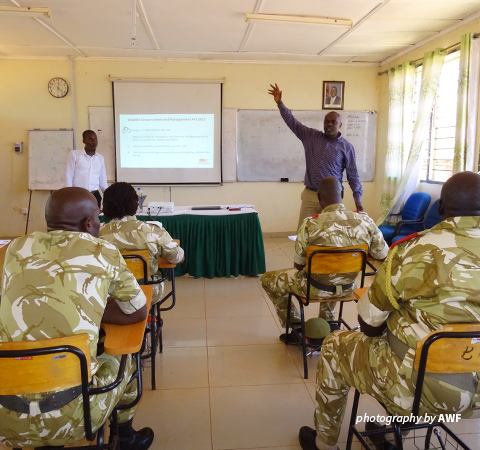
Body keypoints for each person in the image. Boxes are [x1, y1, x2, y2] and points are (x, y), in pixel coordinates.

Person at [298, 171, 480, 450]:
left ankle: (324, 443)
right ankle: (391, 435)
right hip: (477, 394)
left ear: (440, 208)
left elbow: (369, 323)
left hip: (418, 387)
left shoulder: (414, 249)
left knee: (335, 344)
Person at [0, 187, 154, 450]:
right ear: (88, 222)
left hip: (6, 413)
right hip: (77, 412)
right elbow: (137, 311)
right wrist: (90, 308)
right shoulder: (102, 250)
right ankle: (126, 438)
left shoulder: (13, 249)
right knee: (128, 358)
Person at [261, 177, 387, 343]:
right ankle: (327, 323)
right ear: (342, 194)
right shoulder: (366, 221)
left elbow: (298, 266)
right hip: (349, 288)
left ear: (319, 198)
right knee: (335, 275)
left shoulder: (309, 224)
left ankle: (298, 328)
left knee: (268, 279)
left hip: (314, 289)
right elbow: (383, 256)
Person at [268, 83, 363, 229]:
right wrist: (280, 103)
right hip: (311, 196)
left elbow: (353, 176)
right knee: (304, 232)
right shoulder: (311, 136)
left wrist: (358, 201)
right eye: (327, 122)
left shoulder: (346, 147)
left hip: (333, 197)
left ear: (340, 125)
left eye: (333, 122)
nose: (330, 124)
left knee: (331, 234)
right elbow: (293, 122)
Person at [100, 182, 184, 305]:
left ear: (106, 206)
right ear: (135, 203)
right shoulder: (152, 231)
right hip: (147, 291)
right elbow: (178, 258)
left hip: (109, 294)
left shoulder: (98, 234)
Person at [65, 130, 108, 208]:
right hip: (78, 196)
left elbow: (103, 180)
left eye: (95, 139)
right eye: (90, 139)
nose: (93, 142)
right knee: (78, 219)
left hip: (95, 196)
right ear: (84, 141)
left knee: (94, 219)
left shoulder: (100, 158)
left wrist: (108, 196)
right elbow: (68, 176)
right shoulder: (74, 155)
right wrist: (69, 196)